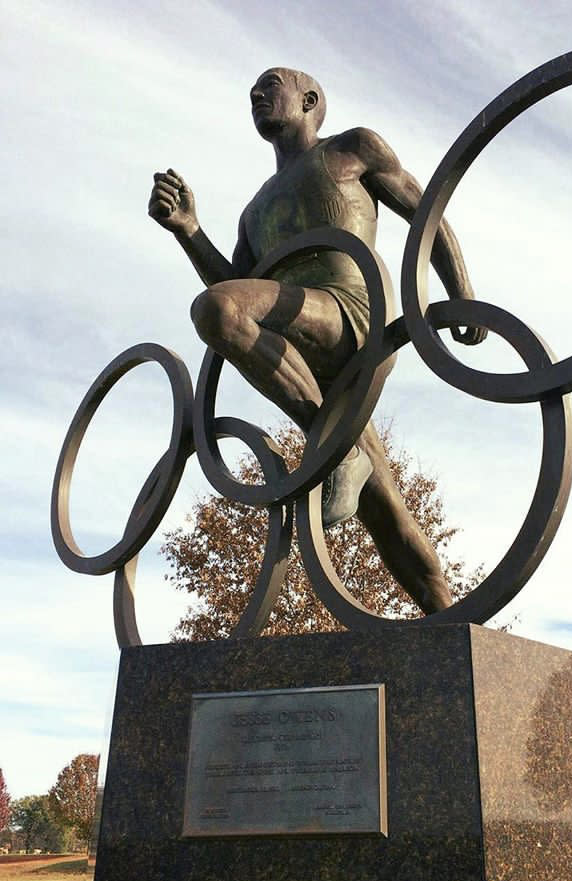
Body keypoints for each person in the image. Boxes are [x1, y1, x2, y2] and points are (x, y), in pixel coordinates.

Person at [148, 67, 485, 615]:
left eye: (270, 85)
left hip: (353, 315)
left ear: (308, 100)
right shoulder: (254, 211)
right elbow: (233, 295)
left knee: (218, 311)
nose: (256, 95)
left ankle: (336, 448)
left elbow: (425, 214)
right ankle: (443, 609)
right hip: (301, 348)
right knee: (384, 507)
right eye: (251, 92)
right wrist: (189, 231)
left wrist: (461, 291)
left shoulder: (353, 149)